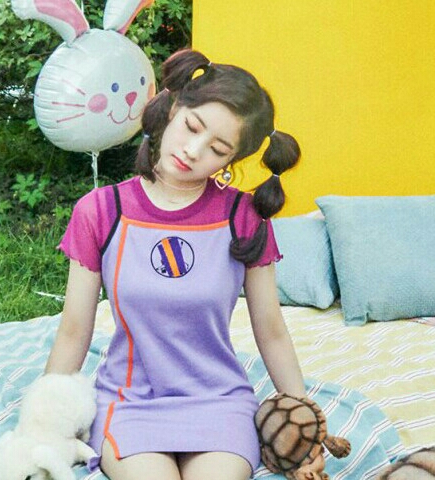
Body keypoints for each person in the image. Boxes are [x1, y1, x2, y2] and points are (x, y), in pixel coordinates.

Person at [46, 48, 306, 480]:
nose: (193, 150)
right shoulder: (101, 210)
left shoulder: (244, 217)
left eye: (217, 148)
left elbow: (271, 328)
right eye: (192, 126)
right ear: (173, 109)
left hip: (219, 402)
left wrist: (303, 421)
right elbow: (74, 328)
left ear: (230, 162)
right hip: (129, 402)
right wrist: (44, 422)